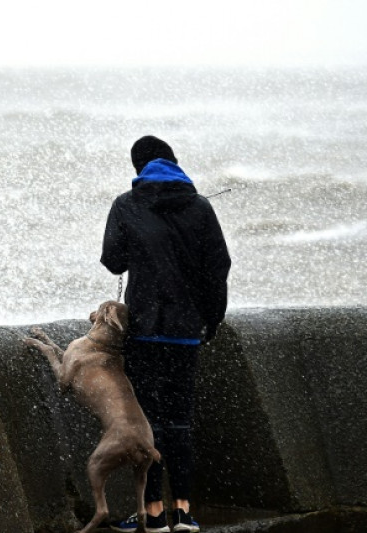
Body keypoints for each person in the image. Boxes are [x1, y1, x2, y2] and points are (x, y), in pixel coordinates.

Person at [101, 135, 231, 533]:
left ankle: (153, 513)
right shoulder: (201, 206)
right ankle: (185, 512)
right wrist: (212, 319)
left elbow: (113, 261)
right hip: (185, 333)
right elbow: (219, 265)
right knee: (179, 421)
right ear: (174, 162)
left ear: (138, 168)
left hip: (144, 332)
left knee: (148, 423)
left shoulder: (127, 205)